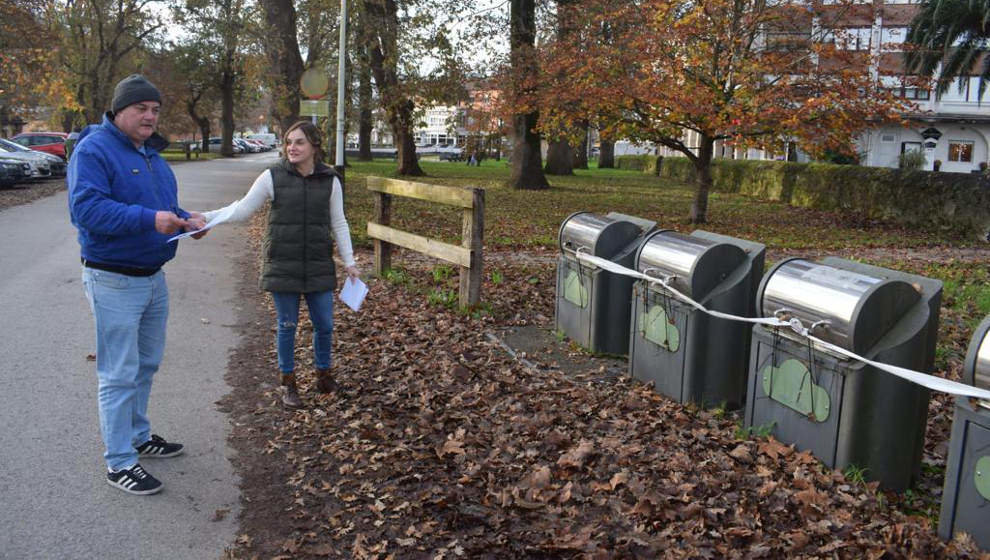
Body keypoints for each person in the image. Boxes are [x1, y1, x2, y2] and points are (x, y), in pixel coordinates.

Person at [68, 74, 207, 496]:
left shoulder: (150, 154)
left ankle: (138, 437)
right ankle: (119, 461)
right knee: (118, 374)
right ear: (119, 110)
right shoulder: (94, 149)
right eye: (141, 108)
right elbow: (86, 210)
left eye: (155, 109)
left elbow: (163, 208)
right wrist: (149, 220)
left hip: (152, 279)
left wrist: (188, 219)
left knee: (145, 366)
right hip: (113, 278)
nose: (150, 116)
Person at [199, 120, 359, 409]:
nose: (292, 148)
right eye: (289, 142)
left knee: (325, 324)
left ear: (314, 146)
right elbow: (242, 209)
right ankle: (289, 383)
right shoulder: (272, 177)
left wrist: (350, 261)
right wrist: (206, 217)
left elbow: (339, 221)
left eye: (299, 142)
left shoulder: (330, 180)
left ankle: (324, 375)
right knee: (287, 325)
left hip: (317, 264)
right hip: (282, 264)